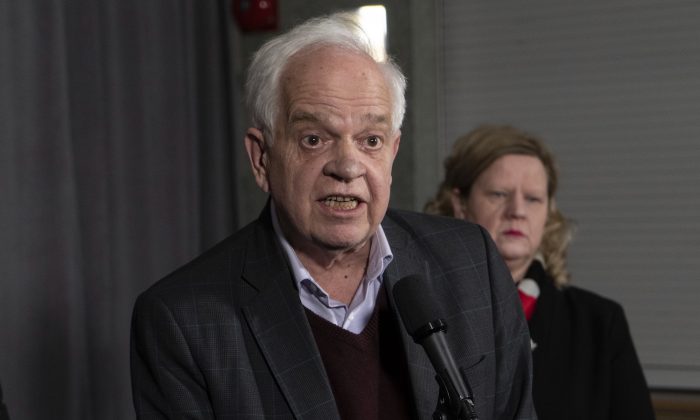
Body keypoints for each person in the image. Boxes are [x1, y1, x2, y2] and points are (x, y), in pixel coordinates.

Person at [130, 13, 535, 420]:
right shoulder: (185, 319)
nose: (347, 166)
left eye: (370, 140)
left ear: (392, 153)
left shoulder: (471, 262)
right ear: (261, 158)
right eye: (314, 139)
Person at [425, 124, 656, 420]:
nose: (517, 210)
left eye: (533, 198)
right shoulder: (423, 311)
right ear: (460, 205)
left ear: (548, 212)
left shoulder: (600, 322)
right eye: (498, 194)